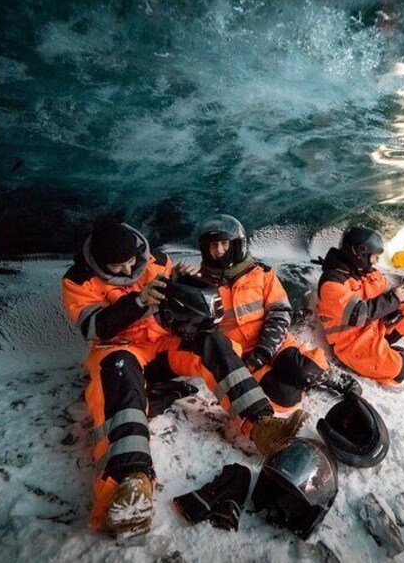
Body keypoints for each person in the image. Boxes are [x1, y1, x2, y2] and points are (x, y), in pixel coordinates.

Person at [61, 219, 307, 538]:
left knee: (213, 342)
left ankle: (263, 426)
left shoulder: (156, 260)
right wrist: (138, 302)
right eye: (116, 267)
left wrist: (181, 281)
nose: (126, 270)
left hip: (164, 346)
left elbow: (172, 306)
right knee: (116, 374)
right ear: (98, 263)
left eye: (130, 263)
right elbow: (95, 327)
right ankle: (129, 481)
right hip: (120, 350)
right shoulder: (77, 280)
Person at [197, 215, 354, 412]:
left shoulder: (262, 273)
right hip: (243, 357)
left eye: (224, 244)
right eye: (213, 245)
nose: (218, 250)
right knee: (286, 399)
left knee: (307, 370)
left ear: (236, 245)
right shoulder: (200, 286)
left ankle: (330, 376)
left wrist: (264, 350)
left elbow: (280, 312)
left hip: (274, 343)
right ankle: (290, 380)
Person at [317, 226, 404, 385]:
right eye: (374, 257)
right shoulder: (332, 283)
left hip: (375, 328)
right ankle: (388, 355)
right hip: (354, 344)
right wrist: (394, 298)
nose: (376, 261)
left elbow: (387, 293)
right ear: (359, 254)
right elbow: (357, 314)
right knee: (400, 370)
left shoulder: (367, 272)